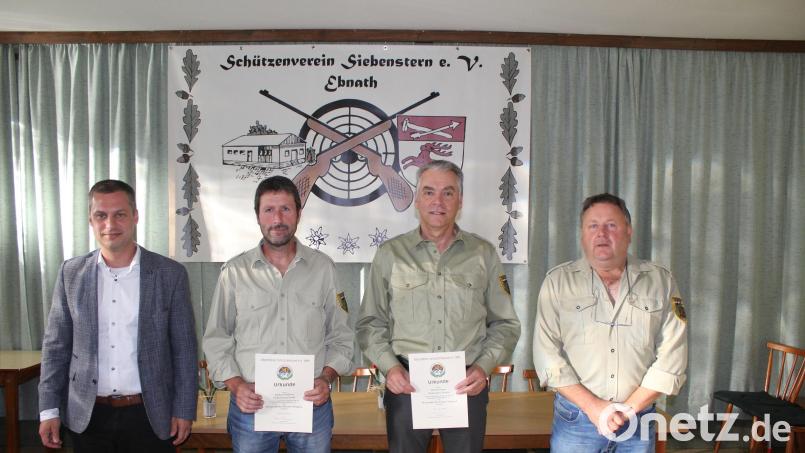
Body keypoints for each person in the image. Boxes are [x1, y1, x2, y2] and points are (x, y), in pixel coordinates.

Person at [356, 160, 521, 453]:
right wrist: (389, 368)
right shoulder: (390, 254)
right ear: (417, 200)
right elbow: (371, 323)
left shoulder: (483, 254)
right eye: (429, 192)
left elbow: (505, 324)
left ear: (460, 201)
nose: (438, 201)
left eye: (448, 193)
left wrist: (483, 368)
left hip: (466, 385)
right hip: (405, 384)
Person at [38, 179, 198, 452]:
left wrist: (184, 409)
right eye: (101, 215)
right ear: (91, 220)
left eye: (120, 214)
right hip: (87, 416)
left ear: (135, 216)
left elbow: (184, 349)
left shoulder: (169, 274)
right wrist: (49, 410)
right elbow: (56, 348)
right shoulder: (71, 273)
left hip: (150, 416)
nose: (110, 225)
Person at [202, 176, 354, 453]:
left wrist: (327, 378)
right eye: (269, 210)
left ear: (299, 213)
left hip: (311, 406)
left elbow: (342, 335)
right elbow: (216, 339)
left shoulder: (324, 269)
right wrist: (236, 386)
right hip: (252, 407)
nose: (277, 219)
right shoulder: (234, 272)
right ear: (257, 216)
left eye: (286, 209)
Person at [533, 193, 688, 452]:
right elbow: (546, 355)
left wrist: (628, 409)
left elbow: (673, 354)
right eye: (592, 225)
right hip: (577, 421)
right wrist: (594, 408)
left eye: (611, 225)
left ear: (628, 231)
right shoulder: (558, 282)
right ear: (582, 234)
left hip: (637, 420)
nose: (601, 233)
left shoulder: (661, 281)